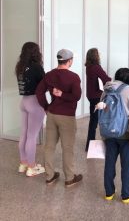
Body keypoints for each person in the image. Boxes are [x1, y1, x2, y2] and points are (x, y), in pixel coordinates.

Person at [36, 49, 83, 187]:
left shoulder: (49, 75)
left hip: (52, 115)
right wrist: (63, 94)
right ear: (69, 61)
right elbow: (76, 96)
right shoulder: (73, 77)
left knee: (49, 147)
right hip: (67, 117)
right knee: (67, 148)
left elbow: (39, 92)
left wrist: (46, 107)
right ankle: (69, 178)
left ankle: (49, 176)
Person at [101, 68, 129, 203]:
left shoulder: (106, 89)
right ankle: (126, 195)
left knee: (109, 163)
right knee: (127, 166)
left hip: (108, 133)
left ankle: (109, 193)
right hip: (125, 134)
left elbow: (102, 110)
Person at [15, 42, 46, 177]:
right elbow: (45, 83)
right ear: (35, 52)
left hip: (24, 102)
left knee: (24, 134)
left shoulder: (20, 67)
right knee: (32, 136)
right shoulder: (37, 67)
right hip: (34, 103)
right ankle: (32, 168)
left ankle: (23, 164)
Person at [84, 48, 111, 152]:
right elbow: (106, 79)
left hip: (91, 96)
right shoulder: (96, 67)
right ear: (96, 56)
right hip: (98, 97)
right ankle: (95, 144)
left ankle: (89, 144)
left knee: (93, 121)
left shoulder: (89, 67)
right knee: (102, 120)